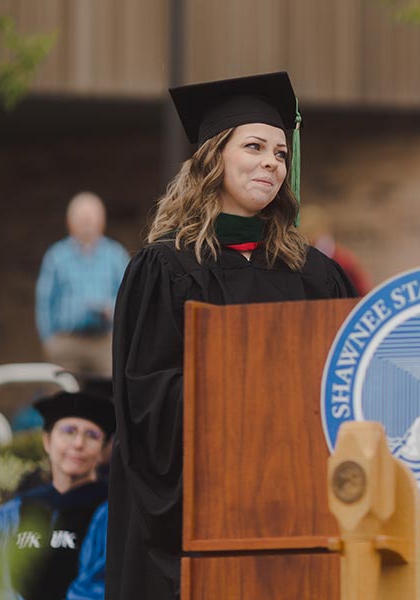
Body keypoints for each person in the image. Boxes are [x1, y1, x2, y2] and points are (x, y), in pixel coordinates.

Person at [105, 72, 358, 600]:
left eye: (281, 153)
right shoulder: (165, 268)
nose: (271, 162)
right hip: (210, 502)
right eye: (254, 147)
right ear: (213, 157)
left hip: (303, 497)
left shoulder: (317, 275)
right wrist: (252, 398)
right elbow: (147, 400)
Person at [0, 391, 114, 600]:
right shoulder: (15, 509)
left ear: (104, 450)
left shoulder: (110, 511)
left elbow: (100, 585)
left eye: (92, 435)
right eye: (69, 431)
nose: (78, 443)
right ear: (47, 440)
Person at [35, 192, 130, 379]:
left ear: (102, 221)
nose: (87, 223)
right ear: (69, 222)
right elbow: (44, 301)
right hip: (67, 341)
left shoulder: (115, 254)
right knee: (62, 397)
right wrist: (49, 340)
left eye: (91, 218)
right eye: (82, 218)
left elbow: (127, 296)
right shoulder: (56, 256)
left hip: (104, 341)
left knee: (113, 393)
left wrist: (110, 310)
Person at [298, 204, 373, 295]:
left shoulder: (344, 259)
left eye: (310, 230)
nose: (307, 235)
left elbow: (364, 291)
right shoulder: (300, 259)